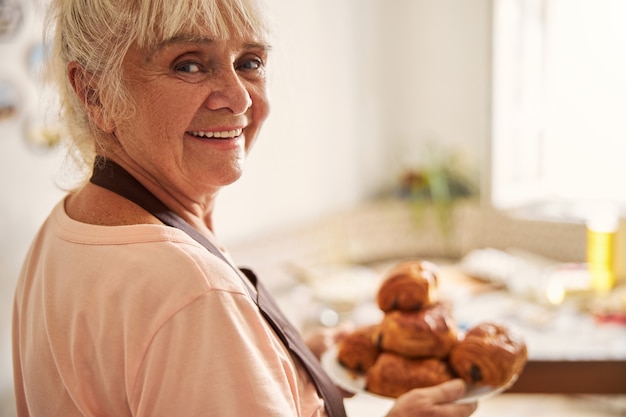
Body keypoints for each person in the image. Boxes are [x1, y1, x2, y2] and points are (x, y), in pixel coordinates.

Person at [11, 0, 479, 416]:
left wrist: (288, 373)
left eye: (249, 61)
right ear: (96, 94)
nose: (239, 98)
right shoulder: (192, 293)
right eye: (189, 65)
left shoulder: (66, 227)